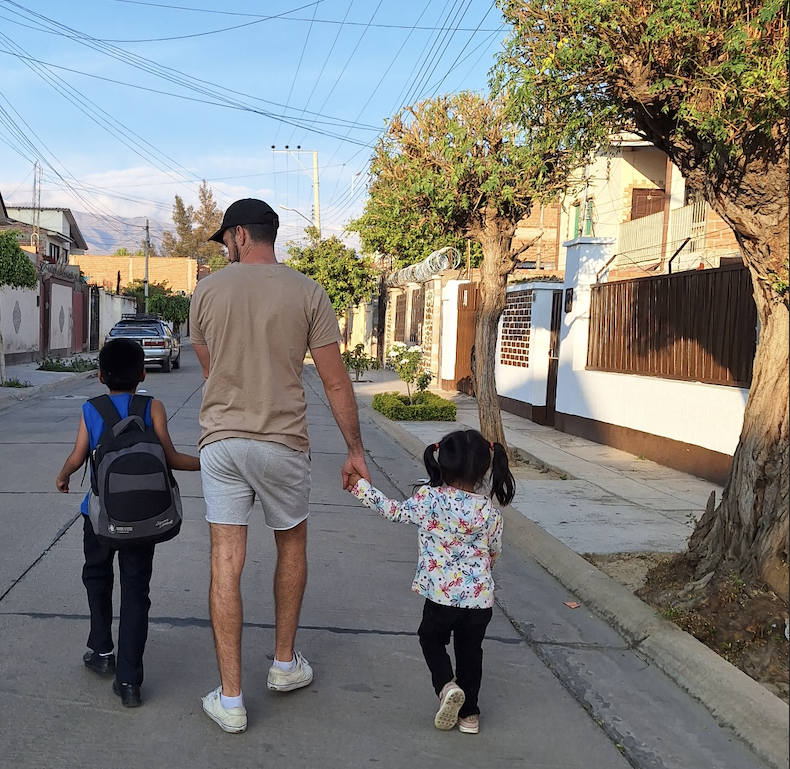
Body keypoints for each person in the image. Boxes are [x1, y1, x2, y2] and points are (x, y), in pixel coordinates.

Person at [188, 197, 372, 733]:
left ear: (241, 236)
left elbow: (210, 368)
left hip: (222, 443)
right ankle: (285, 665)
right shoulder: (309, 292)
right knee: (291, 544)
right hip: (284, 443)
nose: (225, 248)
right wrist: (355, 450)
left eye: (226, 238)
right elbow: (335, 381)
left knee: (226, 559)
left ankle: (231, 699)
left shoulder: (206, 291)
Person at [55, 338, 200, 708]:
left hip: (99, 517)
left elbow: (78, 456)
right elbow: (170, 458)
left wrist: (63, 476)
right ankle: (130, 681)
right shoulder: (153, 407)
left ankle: (102, 651)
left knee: (97, 577)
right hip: (144, 518)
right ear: (142, 374)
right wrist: (208, 463)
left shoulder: (92, 409)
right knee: (136, 591)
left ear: (100, 376)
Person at [347, 429, 515, 735]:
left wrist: (360, 487)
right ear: (484, 470)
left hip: (441, 597)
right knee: (470, 653)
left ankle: (446, 686)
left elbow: (393, 511)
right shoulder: (490, 512)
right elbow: (494, 551)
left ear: (442, 463)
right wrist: (482, 571)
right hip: (479, 602)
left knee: (431, 639)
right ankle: (470, 716)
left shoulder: (429, 499)